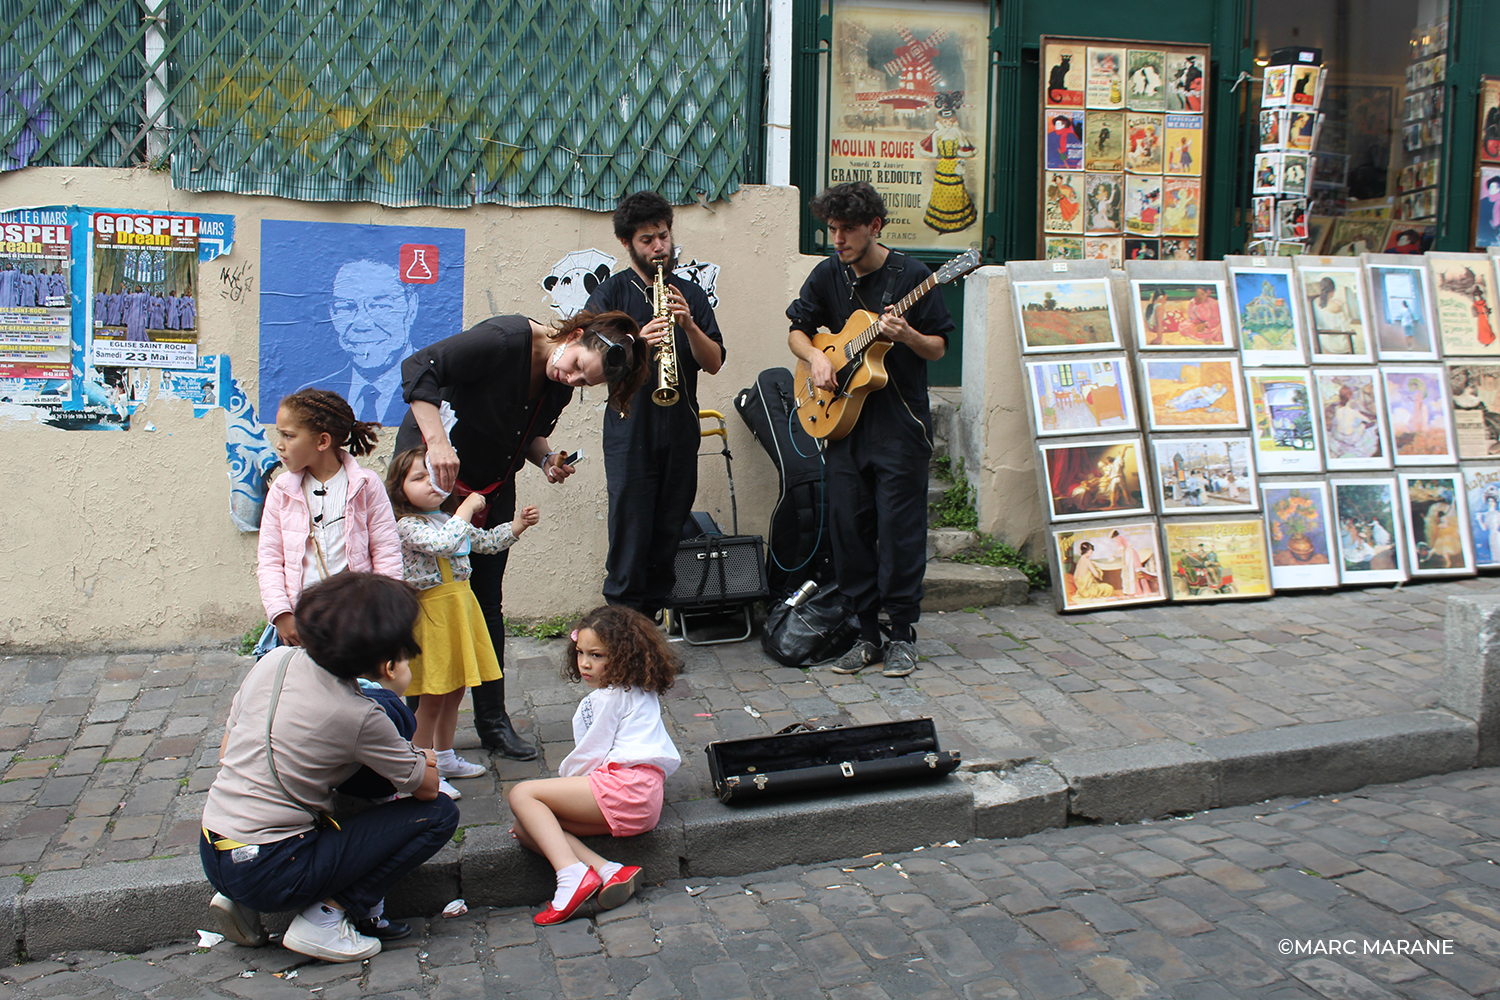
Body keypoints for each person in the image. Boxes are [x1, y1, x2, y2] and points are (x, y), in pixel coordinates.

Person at [396, 311, 650, 759]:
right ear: (574, 335)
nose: (571, 379)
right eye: (576, 366)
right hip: (433, 489)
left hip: (490, 490)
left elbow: (528, 434)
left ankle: (493, 721)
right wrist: (437, 443)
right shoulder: (504, 339)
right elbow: (420, 367)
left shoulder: (559, 380)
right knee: (424, 604)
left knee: (486, 602)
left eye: (583, 382)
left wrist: (547, 459)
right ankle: (412, 735)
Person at [201, 572, 458, 962]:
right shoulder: (357, 715)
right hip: (273, 867)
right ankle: (324, 919)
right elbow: (427, 788)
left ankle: (239, 897)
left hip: (215, 845)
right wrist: (420, 746)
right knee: (439, 815)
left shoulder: (275, 661)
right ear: (388, 660)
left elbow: (227, 750)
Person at [787, 182, 953, 678]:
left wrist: (909, 335)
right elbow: (797, 331)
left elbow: (938, 347)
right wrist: (817, 357)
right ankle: (865, 635)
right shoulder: (827, 275)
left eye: (847, 230)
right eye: (831, 229)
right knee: (849, 531)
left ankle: (901, 634)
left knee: (900, 533)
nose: (837, 240)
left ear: (875, 226)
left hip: (900, 428)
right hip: (844, 425)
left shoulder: (914, 276)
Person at [583, 193, 726, 619]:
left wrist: (689, 325)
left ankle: (651, 630)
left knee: (668, 530)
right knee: (630, 530)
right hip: (630, 429)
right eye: (647, 240)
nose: (659, 247)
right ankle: (622, 627)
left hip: (680, 428)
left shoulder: (691, 293)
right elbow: (589, 366)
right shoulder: (610, 294)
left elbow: (714, 363)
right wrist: (636, 342)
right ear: (627, 244)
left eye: (663, 236)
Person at [505, 605, 680, 925]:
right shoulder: (641, 690)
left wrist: (560, 786)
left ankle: (570, 874)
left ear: (624, 656)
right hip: (644, 801)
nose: (585, 663)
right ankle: (609, 870)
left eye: (596, 655)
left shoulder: (608, 697)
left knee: (522, 794)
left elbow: (589, 756)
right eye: (580, 653)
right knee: (526, 828)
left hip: (623, 788)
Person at [385, 446, 540, 797]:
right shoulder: (408, 525)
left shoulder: (446, 519)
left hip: (459, 611)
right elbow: (443, 544)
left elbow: (484, 542)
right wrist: (467, 507)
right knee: (432, 697)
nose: (430, 484)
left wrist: (518, 526)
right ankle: (422, 768)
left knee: (454, 691)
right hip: (433, 619)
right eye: (418, 478)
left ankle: (444, 757)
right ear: (399, 488)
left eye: (434, 477)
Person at [257, 389, 401, 652]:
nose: (279, 444)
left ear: (322, 441)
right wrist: (281, 614)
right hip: (300, 626)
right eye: (280, 434)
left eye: (288, 435)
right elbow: (270, 559)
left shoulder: (366, 485)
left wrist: (383, 612)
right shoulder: (281, 490)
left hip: (356, 623)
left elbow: (386, 552)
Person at [300, 261, 420, 425]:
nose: (362, 324)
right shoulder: (312, 398)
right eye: (345, 307)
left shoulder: (440, 388)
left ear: (411, 308)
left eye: (380, 306)